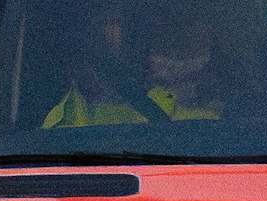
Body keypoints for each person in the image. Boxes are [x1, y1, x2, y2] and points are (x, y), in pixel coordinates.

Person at [42, 13, 227, 128]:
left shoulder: (239, 107)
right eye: (165, 17)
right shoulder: (85, 103)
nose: (174, 28)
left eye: (189, 19)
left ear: (213, 30)